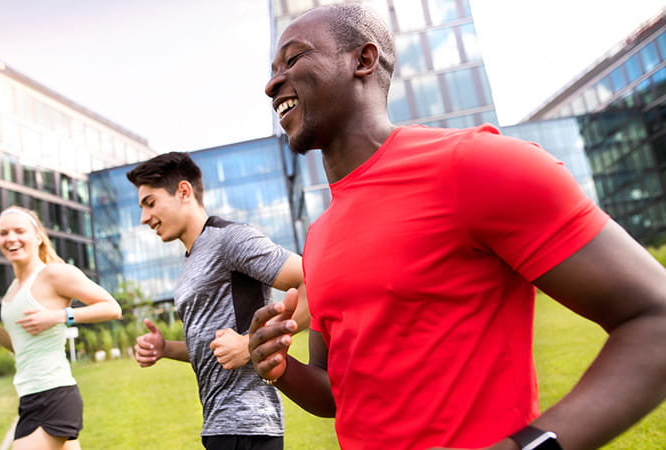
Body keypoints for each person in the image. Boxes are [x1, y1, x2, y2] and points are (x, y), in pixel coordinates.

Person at [248, 4, 666, 450]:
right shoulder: (319, 236)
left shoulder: (476, 165)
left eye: (292, 60)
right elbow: (338, 390)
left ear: (363, 61)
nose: (271, 83)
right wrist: (280, 367)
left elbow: (655, 319)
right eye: (273, 69)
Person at [127, 152, 308, 450]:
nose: (144, 218)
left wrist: (250, 344)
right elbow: (215, 348)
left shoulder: (229, 239)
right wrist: (166, 348)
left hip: (248, 425)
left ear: (184, 191)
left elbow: (312, 280)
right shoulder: (193, 259)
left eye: (150, 203)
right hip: (219, 425)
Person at [0, 206, 122, 450]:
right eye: (3, 233)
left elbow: (112, 307)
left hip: (54, 395)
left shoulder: (54, 274)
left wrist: (58, 316)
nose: (11, 238)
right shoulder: (13, 289)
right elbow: (20, 347)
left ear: (37, 237)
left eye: (19, 231)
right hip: (30, 397)